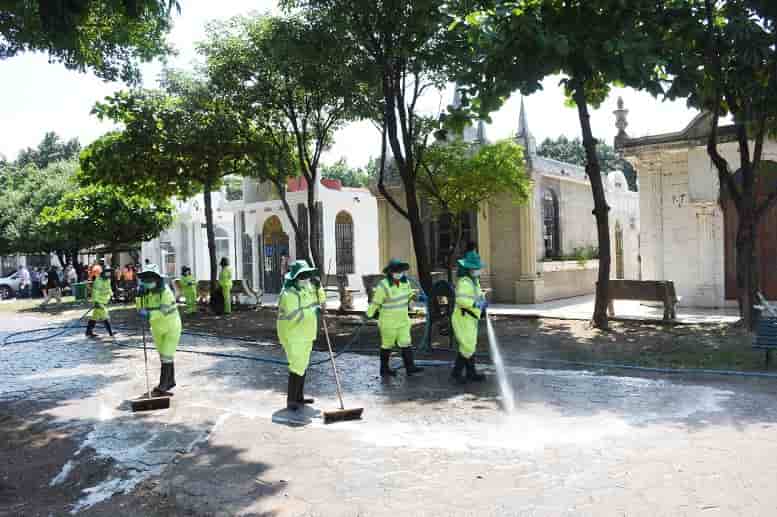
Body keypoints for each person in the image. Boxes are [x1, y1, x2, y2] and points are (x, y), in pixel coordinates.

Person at [277, 260, 326, 411]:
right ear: (294, 277)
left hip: (307, 333)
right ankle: (291, 400)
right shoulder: (288, 294)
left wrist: (320, 288)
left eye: (307, 275)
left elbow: (321, 302)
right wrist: (314, 311)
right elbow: (294, 315)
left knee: (303, 365)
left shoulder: (310, 288)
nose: (305, 278)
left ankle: (299, 397)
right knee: (297, 365)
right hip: (292, 334)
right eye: (302, 275)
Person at [366, 258, 425, 377]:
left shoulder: (405, 283)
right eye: (397, 271)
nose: (399, 273)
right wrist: (369, 314)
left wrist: (416, 297)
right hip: (388, 322)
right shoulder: (383, 285)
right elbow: (376, 302)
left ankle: (410, 367)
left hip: (403, 320)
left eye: (401, 271)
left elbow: (409, 294)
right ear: (390, 272)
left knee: (406, 342)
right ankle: (384, 369)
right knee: (387, 345)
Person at [136, 263, 181, 396]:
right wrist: (138, 298)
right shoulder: (144, 292)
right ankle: (170, 381)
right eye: (145, 279)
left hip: (170, 328)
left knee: (167, 355)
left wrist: (148, 313)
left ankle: (162, 386)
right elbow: (140, 308)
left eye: (150, 279)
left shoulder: (166, 292)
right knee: (164, 356)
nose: (148, 282)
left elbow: (164, 312)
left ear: (157, 279)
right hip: (156, 328)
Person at [451, 250, 488, 384]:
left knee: (470, 345)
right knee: (468, 346)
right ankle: (456, 373)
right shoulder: (464, 282)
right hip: (462, 317)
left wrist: (483, 302)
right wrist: (476, 304)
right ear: (469, 269)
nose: (478, 270)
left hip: (470, 318)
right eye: (476, 268)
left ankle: (470, 373)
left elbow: (477, 295)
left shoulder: (474, 281)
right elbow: (461, 300)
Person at [86, 268, 114, 338]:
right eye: (107, 274)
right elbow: (95, 292)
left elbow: (109, 288)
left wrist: (111, 295)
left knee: (95, 317)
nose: (108, 276)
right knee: (105, 316)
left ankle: (88, 332)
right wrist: (96, 302)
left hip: (104, 301)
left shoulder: (108, 280)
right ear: (103, 273)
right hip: (99, 302)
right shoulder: (98, 281)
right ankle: (111, 333)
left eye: (109, 274)